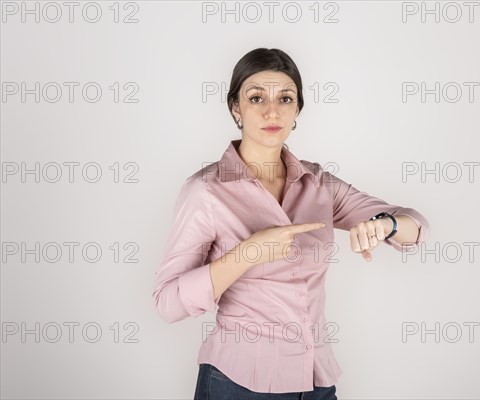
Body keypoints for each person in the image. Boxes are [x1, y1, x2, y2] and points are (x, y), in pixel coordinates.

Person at [152, 48, 431, 399]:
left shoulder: (319, 184)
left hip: (316, 383)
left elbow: (416, 225)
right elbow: (167, 302)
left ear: (298, 108)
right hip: (238, 383)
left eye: (285, 98)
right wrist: (247, 253)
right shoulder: (206, 191)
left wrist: (385, 225)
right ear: (235, 108)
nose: (273, 110)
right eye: (256, 98)